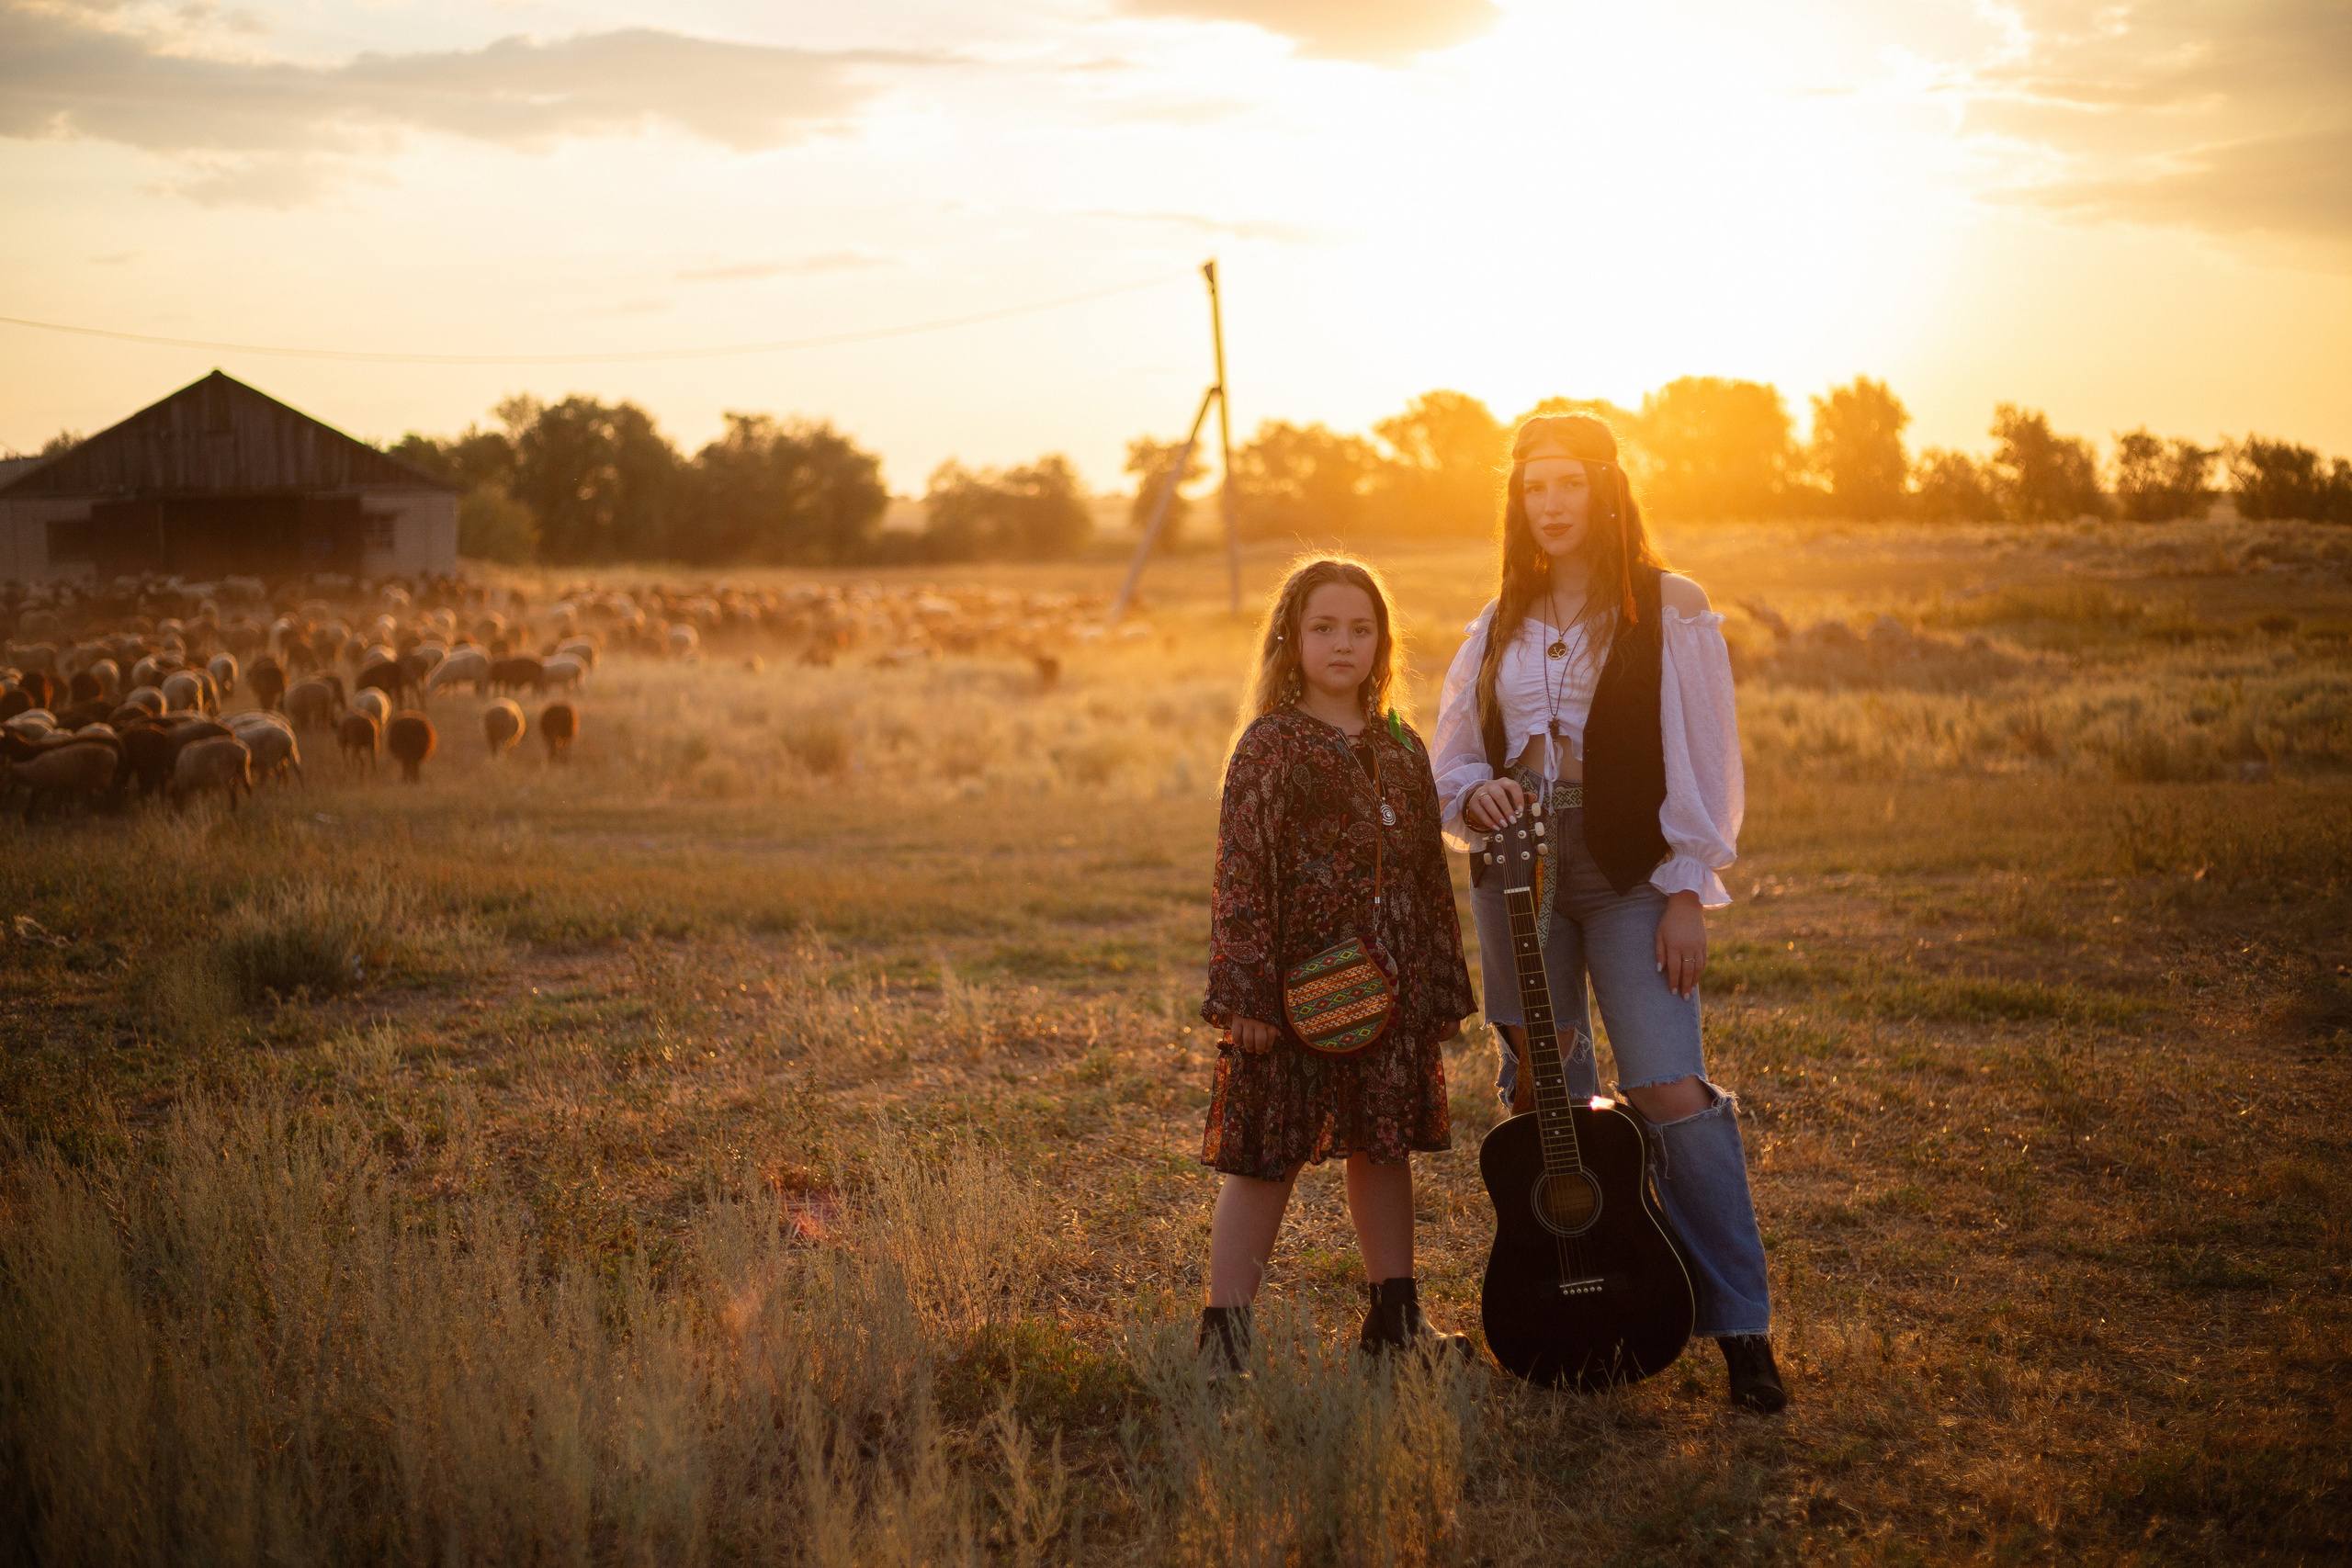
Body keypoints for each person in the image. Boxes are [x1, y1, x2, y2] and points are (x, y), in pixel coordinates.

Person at [1429, 413, 1788, 1414]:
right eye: (1533, 487)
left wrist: (1686, 888)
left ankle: (1740, 1325)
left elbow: (1705, 755)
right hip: (1517, 868)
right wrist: (1476, 793)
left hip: (1631, 868)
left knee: (1669, 1088)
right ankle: (1584, 1314)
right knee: (1548, 1097)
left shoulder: (1670, 606)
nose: (1549, 505)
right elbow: (1454, 754)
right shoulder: (1497, 619)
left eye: (1568, 484)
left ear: (1605, 489)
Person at [1197, 556, 1479, 1376]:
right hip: (1293, 991)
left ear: (1383, 642)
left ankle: (1397, 1324)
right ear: (1291, 638)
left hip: (1388, 988)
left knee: (1384, 1145)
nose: (1343, 644)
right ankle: (1223, 1343)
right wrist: (1248, 993)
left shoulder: (1402, 746)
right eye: (1323, 627)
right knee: (1267, 1152)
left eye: (1361, 629)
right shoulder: (1270, 745)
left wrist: (1437, 987)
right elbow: (1241, 871)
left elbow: (1426, 876)